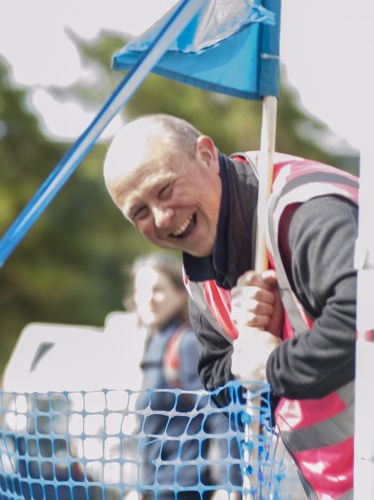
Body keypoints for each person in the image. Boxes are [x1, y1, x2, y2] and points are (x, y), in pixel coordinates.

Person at [103, 114, 359, 500]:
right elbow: (217, 379)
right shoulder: (198, 273)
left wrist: (272, 365)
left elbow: (367, 322)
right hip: (332, 486)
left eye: (165, 189)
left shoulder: (302, 211)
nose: (161, 217)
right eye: (139, 212)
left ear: (206, 154)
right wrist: (248, 351)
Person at [124, 252, 243, 500]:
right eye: (141, 290)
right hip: (158, 490)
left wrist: (228, 485)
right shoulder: (153, 342)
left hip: (187, 489)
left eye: (158, 290)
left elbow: (220, 415)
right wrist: (141, 489)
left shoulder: (186, 344)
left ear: (180, 295)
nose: (148, 299)